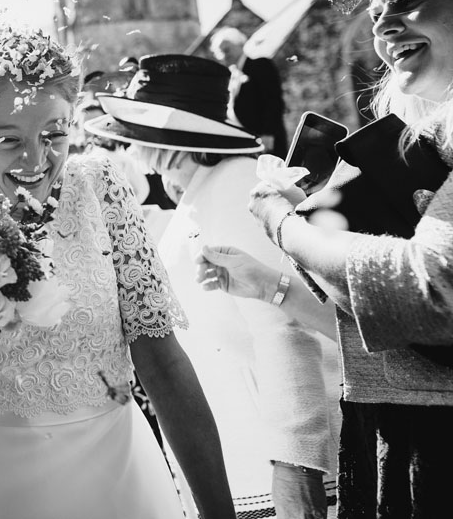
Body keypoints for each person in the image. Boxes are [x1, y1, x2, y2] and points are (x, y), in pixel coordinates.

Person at [0, 31, 235, 519]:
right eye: (7, 141)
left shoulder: (101, 190)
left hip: (114, 476)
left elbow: (162, 363)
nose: (36, 161)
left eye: (54, 135)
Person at [207, 0, 453, 518]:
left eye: (413, 1)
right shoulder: (424, 141)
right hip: (402, 435)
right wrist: (279, 272)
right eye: (375, 16)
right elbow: (389, 330)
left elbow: (427, 291)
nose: (384, 28)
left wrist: (284, 223)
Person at [87, 54, 341, 519]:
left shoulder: (236, 188)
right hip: (240, 458)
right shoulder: (202, 194)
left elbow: (285, 327)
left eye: (136, 135)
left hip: (277, 469)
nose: (130, 149)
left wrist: (296, 462)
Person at [210, 27, 288, 158]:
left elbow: (273, 101)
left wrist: (268, 134)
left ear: (239, 44)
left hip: (267, 140)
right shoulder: (230, 78)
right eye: (220, 52)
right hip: (247, 143)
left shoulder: (260, 65)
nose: (224, 55)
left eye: (227, 49)